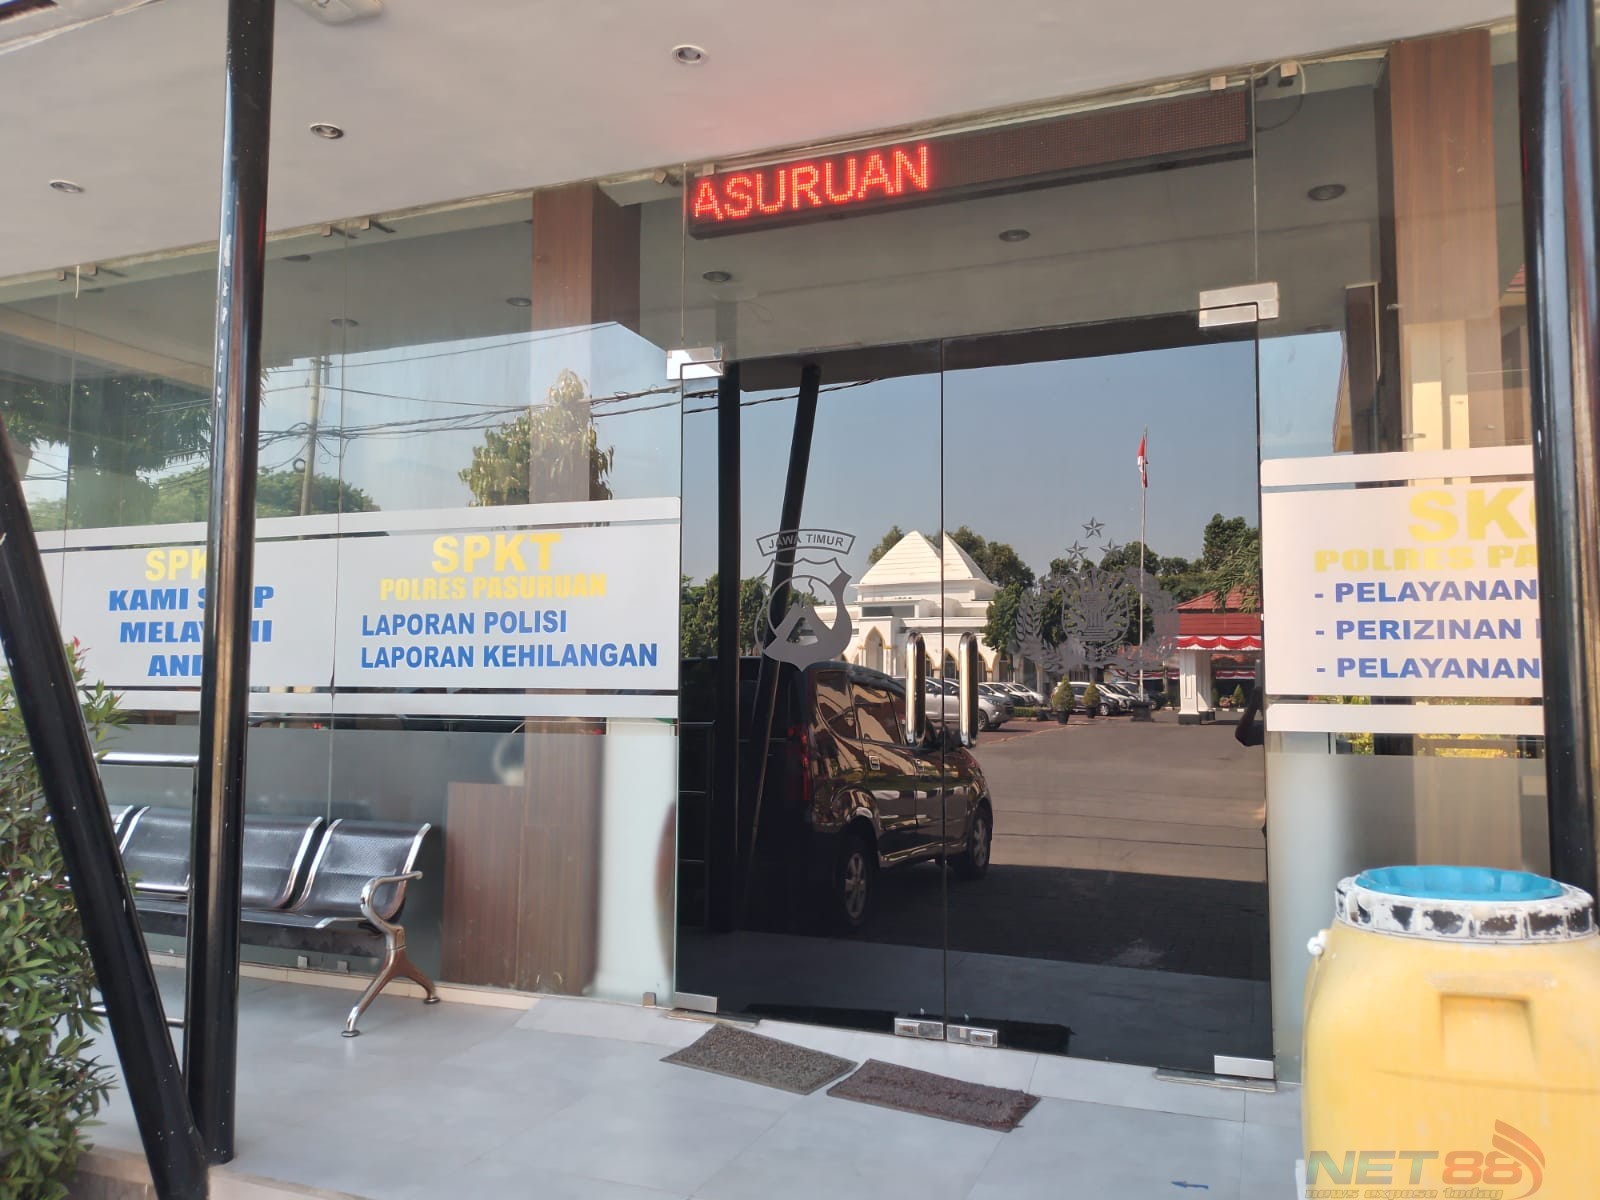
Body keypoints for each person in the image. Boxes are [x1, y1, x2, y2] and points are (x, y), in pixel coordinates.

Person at [1234, 683, 1264, 748]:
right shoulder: (1268, 727)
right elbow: (1243, 735)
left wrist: (1253, 706)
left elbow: (1243, 735)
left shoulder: (1271, 727)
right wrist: (1253, 705)